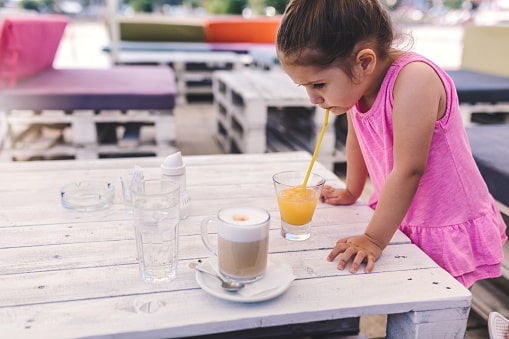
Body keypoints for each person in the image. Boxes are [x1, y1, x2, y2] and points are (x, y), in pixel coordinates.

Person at [276, 0, 507, 288]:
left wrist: (373, 239)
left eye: (319, 85)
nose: (313, 99)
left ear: (364, 62)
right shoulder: (356, 86)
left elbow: (410, 169)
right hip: (403, 210)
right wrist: (352, 190)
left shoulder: (414, 79)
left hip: (444, 216)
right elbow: (356, 140)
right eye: (306, 87)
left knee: (438, 302)